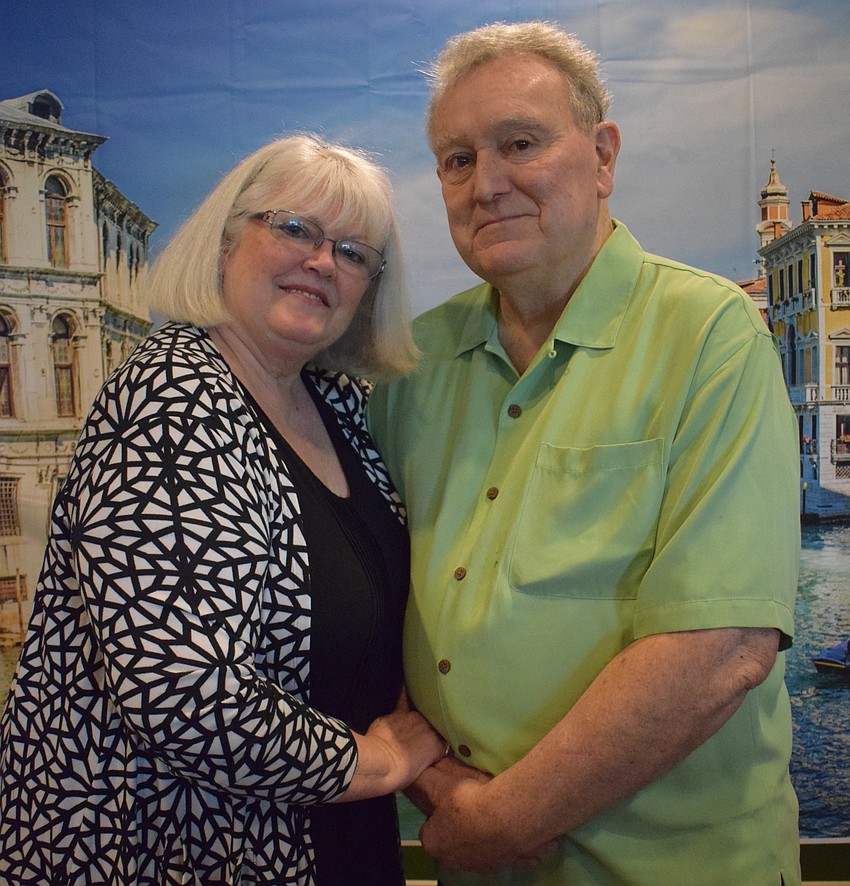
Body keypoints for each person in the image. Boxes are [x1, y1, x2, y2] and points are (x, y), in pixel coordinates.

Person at [367, 21, 801, 886]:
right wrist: (450, 792)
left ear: (602, 156)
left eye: (519, 143)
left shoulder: (709, 333)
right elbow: (366, 604)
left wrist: (501, 819)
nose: (486, 184)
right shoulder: (409, 368)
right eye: (457, 160)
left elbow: (723, 647)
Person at [0, 133, 446, 885]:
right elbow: (183, 695)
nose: (321, 262)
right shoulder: (175, 398)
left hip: (320, 835)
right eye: (295, 229)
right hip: (172, 847)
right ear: (226, 239)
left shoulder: (333, 401)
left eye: (352, 252)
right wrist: (375, 761)